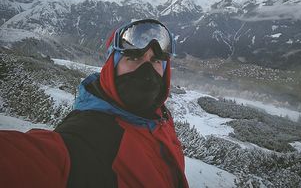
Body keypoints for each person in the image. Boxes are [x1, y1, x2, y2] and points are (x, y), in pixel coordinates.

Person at [0, 18, 189, 188]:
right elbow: (31, 160)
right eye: (133, 58)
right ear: (111, 66)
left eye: (155, 60)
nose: (146, 71)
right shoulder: (85, 140)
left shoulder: (160, 118)